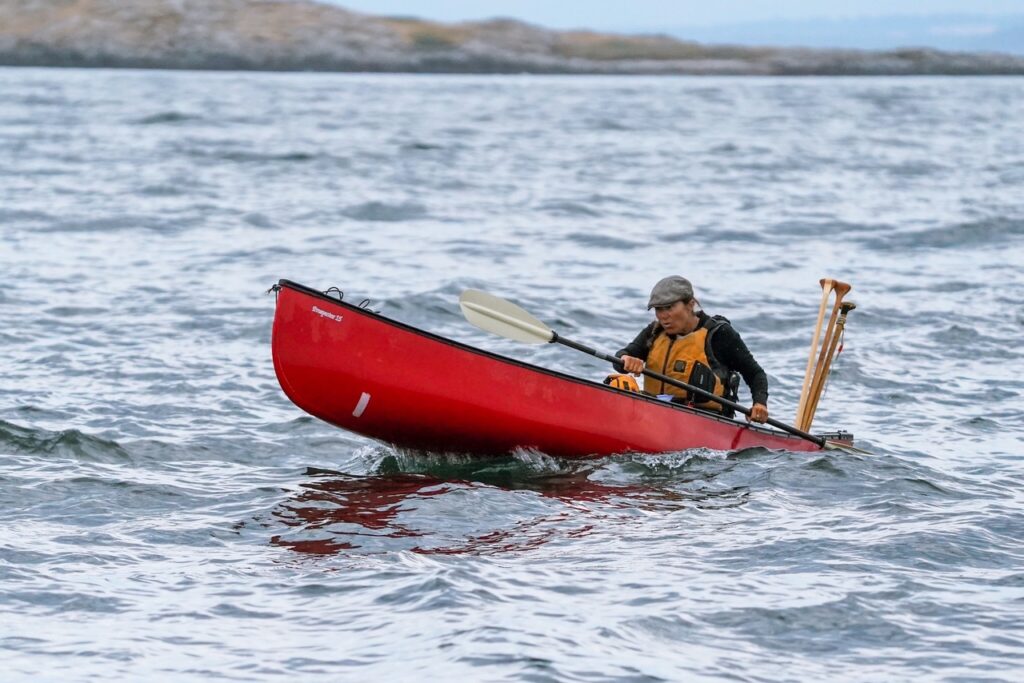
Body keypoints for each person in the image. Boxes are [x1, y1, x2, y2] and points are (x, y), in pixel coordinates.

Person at [615, 275, 770, 423]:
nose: (663, 316)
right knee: (617, 382)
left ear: (690, 304)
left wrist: (760, 403)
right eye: (658, 309)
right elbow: (622, 356)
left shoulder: (719, 334)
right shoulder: (655, 331)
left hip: (704, 420)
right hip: (655, 413)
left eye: (669, 307)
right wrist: (626, 360)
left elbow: (755, 373)